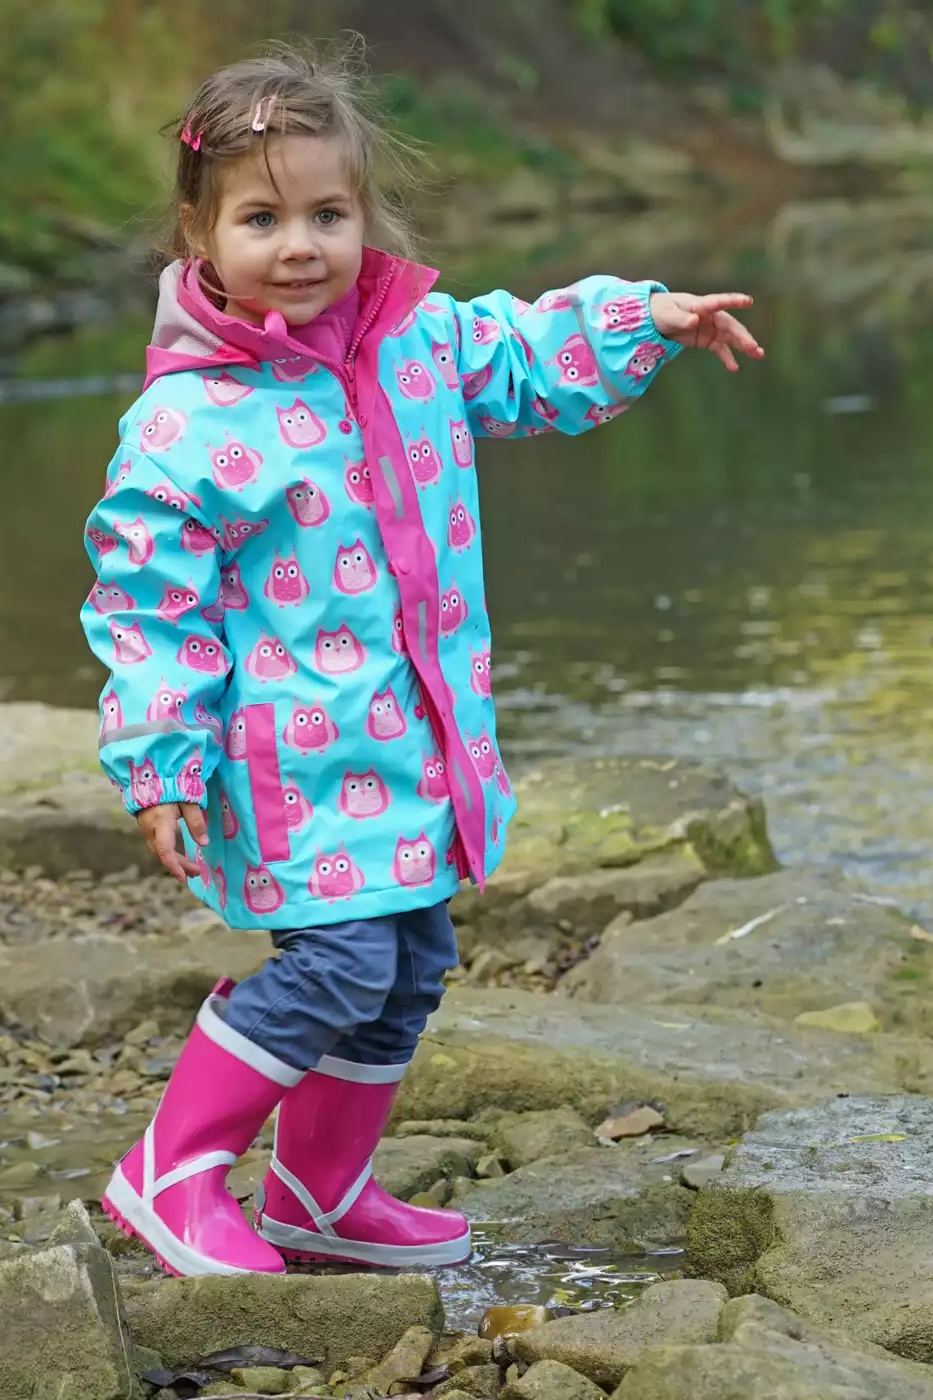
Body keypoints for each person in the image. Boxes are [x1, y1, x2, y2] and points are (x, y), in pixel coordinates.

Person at [80, 42, 762, 1279]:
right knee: (337, 959)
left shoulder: (412, 343)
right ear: (197, 235)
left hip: (412, 742)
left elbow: (521, 351)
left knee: (408, 962)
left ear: (363, 216)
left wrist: (643, 318)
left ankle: (315, 1188)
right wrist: (161, 759)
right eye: (261, 217)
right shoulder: (187, 423)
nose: (300, 244)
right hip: (289, 763)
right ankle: (169, 1165)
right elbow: (148, 609)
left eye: (327, 213)